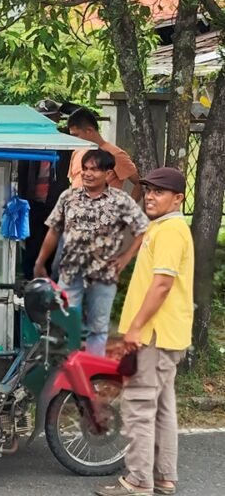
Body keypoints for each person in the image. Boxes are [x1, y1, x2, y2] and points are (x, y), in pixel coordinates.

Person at [96, 168, 193, 496]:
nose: (150, 196)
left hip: (152, 335)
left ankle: (137, 481)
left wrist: (135, 328)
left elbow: (162, 284)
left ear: (178, 198)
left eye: (159, 192)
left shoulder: (169, 230)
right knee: (163, 408)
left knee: (138, 406)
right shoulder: (168, 227)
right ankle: (164, 477)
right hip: (167, 334)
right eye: (148, 190)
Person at [33, 150, 148, 356]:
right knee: (64, 323)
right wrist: (40, 261)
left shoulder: (120, 200)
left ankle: (90, 378)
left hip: (103, 275)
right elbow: (53, 230)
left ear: (108, 173)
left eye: (94, 169)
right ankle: (64, 376)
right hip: (70, 272)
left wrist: (126, 257)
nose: (87, 174)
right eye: (84, 169)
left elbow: (143, 229)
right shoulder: (69, 197)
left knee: (98, 328)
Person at [18, 99, 72, 279]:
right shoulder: (28, 140)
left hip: (55, 202)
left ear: (58, 118)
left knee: (53, 244)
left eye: (50, 118)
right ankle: (29, 282)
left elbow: (85, 117)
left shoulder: (66, 141)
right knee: (31, 245)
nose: (45, 122)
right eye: (42, 118)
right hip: (33, 202)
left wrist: (65, 107)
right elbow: (22, 174)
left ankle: (50, 283)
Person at [67, 108, 142, 201]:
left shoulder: (115, 154)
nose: (74, 139)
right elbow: (73, 183)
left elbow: (140, 183)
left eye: (76, 135)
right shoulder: (77, 152)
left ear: (89, 131)